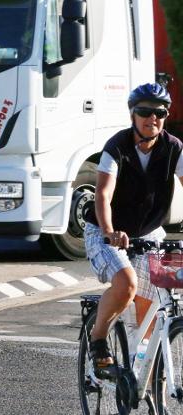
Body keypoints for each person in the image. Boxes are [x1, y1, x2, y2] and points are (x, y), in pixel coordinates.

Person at [84, 82, 183, 378]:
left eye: (160, 112)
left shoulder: (174, 148)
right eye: (144, 111)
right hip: (105, 231)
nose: (152, 118)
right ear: (132, 115)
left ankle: (143, 371)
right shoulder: (117, 146)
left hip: (149, 232)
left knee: (150, 308)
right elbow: (102, 195)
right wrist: (111, 231)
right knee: (126, 285)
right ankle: (99, 341)